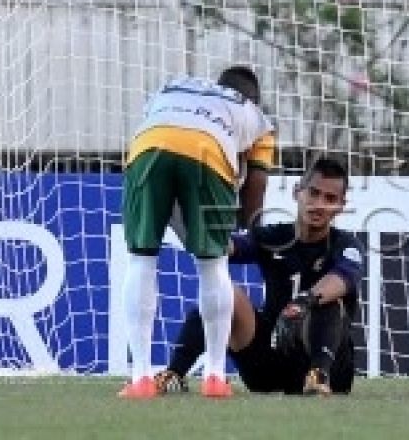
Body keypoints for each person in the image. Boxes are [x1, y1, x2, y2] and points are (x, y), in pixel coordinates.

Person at [118, 67, 275, 400]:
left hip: (148, 148)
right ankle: (215, 377)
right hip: (209, 157)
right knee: (213, 266)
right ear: (254, 99)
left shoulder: (172, 85)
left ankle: (141, 378)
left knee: (141, 261)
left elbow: (151, 127)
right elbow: (256, 183)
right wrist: (249, 228)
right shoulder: (256, 118)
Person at [154, 157, 362, 396]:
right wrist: (184, 220)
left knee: (328, 301)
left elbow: (345, 277)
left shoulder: (346, 244)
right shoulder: (273, 236)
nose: (319, 204)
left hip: (331, 368)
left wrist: (303, 301)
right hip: (269, 361)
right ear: (297, 193)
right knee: (224, 293)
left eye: (330, 199)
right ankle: (174, 374)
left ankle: (317, 377)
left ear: (340, 206)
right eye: (313, 193)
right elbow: (221, 248)